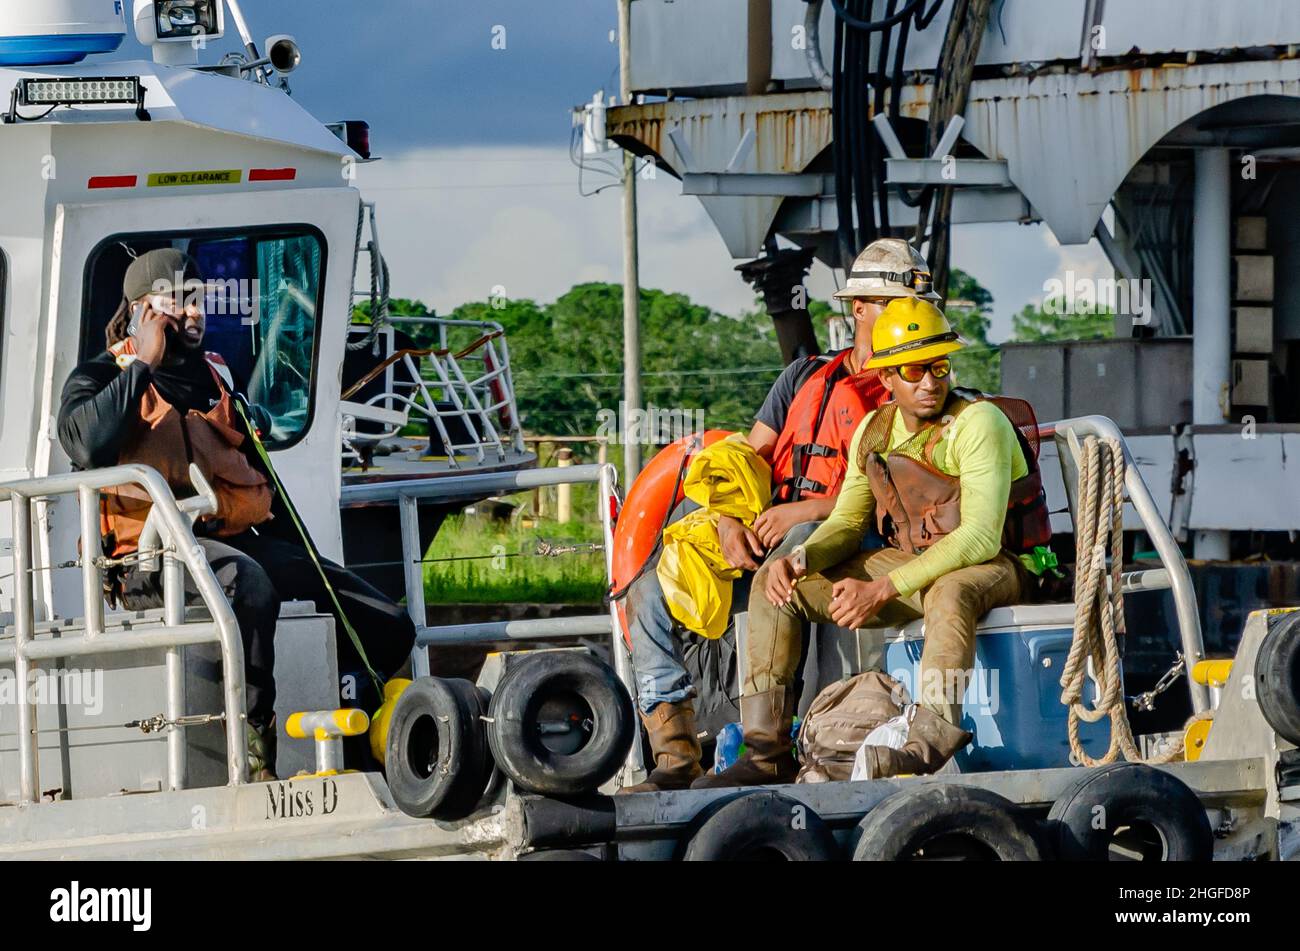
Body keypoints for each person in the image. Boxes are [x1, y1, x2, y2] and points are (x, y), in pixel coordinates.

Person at [57, 249, 416, 780]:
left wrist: (312, 565)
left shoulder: (218, 378)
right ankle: (254, 749)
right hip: (146, 560)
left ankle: (362, 736)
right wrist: (143, 363)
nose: (193, 311)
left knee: (386, 622)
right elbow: (86, 446)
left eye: (198, 298)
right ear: (139, 312)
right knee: (247, 583)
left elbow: (258, 475)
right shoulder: (97, 376)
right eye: (175, 300)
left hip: (228, 540)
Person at [622, 239, 941, 793]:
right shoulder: (801, 379)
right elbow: (748, 462)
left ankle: (767, 750)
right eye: (890, 304)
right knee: (649, 586)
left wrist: (808, 508)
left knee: (794, 537)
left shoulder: (914, 392)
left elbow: (895, 500)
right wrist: (726, 520)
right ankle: (674, 758)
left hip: (841, 536)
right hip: (770, 531)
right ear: (858, 308)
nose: (906, 317)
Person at [695, 296, 1053, 788]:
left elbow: (979, 538)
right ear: (885, 378)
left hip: (999, 566)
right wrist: (798, 559)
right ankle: (765, 754)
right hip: (916, 564)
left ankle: (925, 745)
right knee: (775, 586)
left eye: (939, 366)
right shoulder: (874, 430)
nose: (931, 382)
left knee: (951, 591)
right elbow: (845, 523)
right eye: (914, 370)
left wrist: (882, 588)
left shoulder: (978, 424)